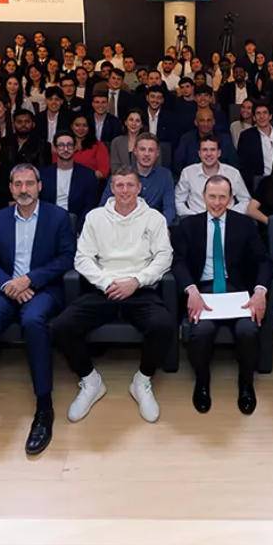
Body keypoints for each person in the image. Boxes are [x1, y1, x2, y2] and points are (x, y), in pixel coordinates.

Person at [0, 164, 75, 457]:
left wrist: (30, 280)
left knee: (34, 322)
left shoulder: (58, 217)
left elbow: (67, 258)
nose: (24, 189)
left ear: (40, 186)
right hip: (6, 288)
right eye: (18, 184)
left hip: (42, 288)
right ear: (11, 187)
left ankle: (44, 407)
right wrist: (7, 284)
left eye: (29, 183)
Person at [52, 168, 176, 424]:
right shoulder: (95, 217)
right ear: (111, 188)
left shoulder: (154, 218)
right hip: (103, 288)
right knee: (61, 326)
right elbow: (82, 258)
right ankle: (90, 381)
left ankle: (142, 380)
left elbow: (164, 257)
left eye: (130, 185)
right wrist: (106, 282)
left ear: (139, 188)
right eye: (119, 185)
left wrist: (136, 281)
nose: (124, 191)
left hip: (139, 289)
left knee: (163, 325)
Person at [172, 176, 271, 415]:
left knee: (247, 331)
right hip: (203, 290)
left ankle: (246, 383)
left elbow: (264, 261)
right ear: (204, 197)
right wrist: (191, 290)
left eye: (222, 197)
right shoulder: (189, 225)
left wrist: (260, 291)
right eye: (212, 197)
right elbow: (178, 262)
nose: (217, 203)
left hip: (237, 291)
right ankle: (202, 381)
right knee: (201, 332)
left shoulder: (245, 224)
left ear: (231, 199)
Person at [100, 133, 177, 224]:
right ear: (135, 151)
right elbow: (104, 206)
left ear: (157, 153)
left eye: (151, 150)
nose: (146, 154)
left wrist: (159, 227)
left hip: (153, 226)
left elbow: (169, 209)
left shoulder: (165, 175)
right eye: (142, 149)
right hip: (123, 224)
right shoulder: (120, 174)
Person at [174, 133, 250, 217]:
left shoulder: (233, 173)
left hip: (227, 220)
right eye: (205, 150)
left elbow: (245, 200)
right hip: (196, 220)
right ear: (199, 153)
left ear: (219, 153)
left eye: (213, 149)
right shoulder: (188, 173)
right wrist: (192, 217)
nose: (209, 154)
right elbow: (178, 201)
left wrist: (230, 215)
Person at [41, 132, 100, 219]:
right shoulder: (43, 174)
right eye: (61, 145)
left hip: (76, 220)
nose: (65, 149)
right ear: (55, 148)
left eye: (69, 145)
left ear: (75, 147)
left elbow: (90, 206)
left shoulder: (88, 175)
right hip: (49, 218)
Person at [236, 102, 273, 182]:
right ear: (254, 118)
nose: (261, 116)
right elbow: (243, 164)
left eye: (265, 113)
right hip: (260, 181)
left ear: (270, 116)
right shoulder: (246, 136)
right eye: (258, 113)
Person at [106, 109, 146, 174]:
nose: (134, 123)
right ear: (125, 122)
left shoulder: (147, 142)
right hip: (121, 178)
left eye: (137, 121)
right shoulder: (116, 142)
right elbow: (114, 167)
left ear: (141, 125)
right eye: (131, 120)